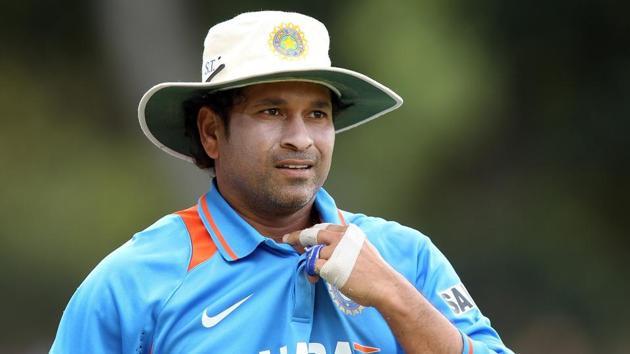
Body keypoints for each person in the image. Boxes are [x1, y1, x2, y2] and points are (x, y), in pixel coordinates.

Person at [51, 11, 513, 354]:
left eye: (317, 114)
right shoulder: (133, 282)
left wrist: (392, 296)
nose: (300, 139)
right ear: (212, 132)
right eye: (271, 112)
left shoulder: (405, 259)